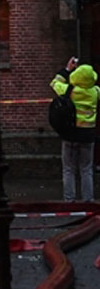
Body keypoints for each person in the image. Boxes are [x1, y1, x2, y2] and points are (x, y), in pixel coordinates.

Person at [52, 57, 98, 201]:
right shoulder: (95, 91)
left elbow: (54, 82)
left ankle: (69, 200)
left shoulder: (69, 90)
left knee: (68, 169)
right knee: (86, 169)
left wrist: (68, 69)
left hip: (70, 134)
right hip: (88, 135)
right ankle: (88, 201)